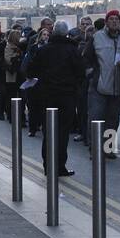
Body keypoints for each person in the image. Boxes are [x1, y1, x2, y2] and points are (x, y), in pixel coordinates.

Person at [30, 20, 84, 175]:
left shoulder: (44, 50)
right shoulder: (73, 50)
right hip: (67, 96)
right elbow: (81, 72)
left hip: (48, 95)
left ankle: (48, 165)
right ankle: (60, 165)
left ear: (53, 31)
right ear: (66, 33)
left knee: (49, 131)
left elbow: (31, 70)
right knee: (63, 131)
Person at [84, 10, 120, 157]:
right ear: (106, 21)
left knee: (113, 119)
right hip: (99, 85)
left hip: (118, 86)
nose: (114, 21)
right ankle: (95, 149)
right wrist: (91, 74)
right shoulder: (97, 37)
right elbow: (86, 57)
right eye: (111, 19)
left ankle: (108, 149)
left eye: (117, 19)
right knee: (96, 118)